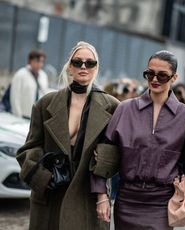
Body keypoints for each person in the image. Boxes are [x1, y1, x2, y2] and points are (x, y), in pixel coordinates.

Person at [91, 50, 185, 229]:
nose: (154, 79)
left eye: (162, 75)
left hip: (161, 205)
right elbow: (102, 156)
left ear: (174, 78)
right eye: (149, 74)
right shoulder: (125, 109)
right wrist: (101, 195)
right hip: (126, 201)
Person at [16, 41, 119, 230]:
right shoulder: (46, 103)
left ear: (97, 67)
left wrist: (103, 158)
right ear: (70, 67)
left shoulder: (112, 106)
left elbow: (120, 151)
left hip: (88, 197)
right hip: (51, 196)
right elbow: (27, 149)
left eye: (90, 63)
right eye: (78, 62)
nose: (83, 67)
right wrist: (44, 177)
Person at [10, 50, 49, 119]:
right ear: (30, 60)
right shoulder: (20, 74)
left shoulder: (43, 75)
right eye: (37, 61)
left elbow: (45, 95)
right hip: (23, 116)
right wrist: (18, 116)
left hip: (38, 117)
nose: (40, 64)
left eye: (42, 62)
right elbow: (15, 98)